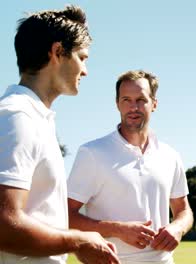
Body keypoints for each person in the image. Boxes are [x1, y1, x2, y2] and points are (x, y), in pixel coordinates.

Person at [0, 5, 120, 264]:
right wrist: (78, 239)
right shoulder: (17, 117)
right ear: (57, 52)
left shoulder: (34, 118)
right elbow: (4, 226)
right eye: (82, 57)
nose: (85, 70)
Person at [67, 70, 194, 264]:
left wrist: (177, 228)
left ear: (154, 104)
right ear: (117, 104)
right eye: (126, 100)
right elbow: (66, 215)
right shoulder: (91, 153)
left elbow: (184, 211)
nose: (133, 107)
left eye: (141, 100)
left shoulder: (170, 155)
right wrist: (117, 229)